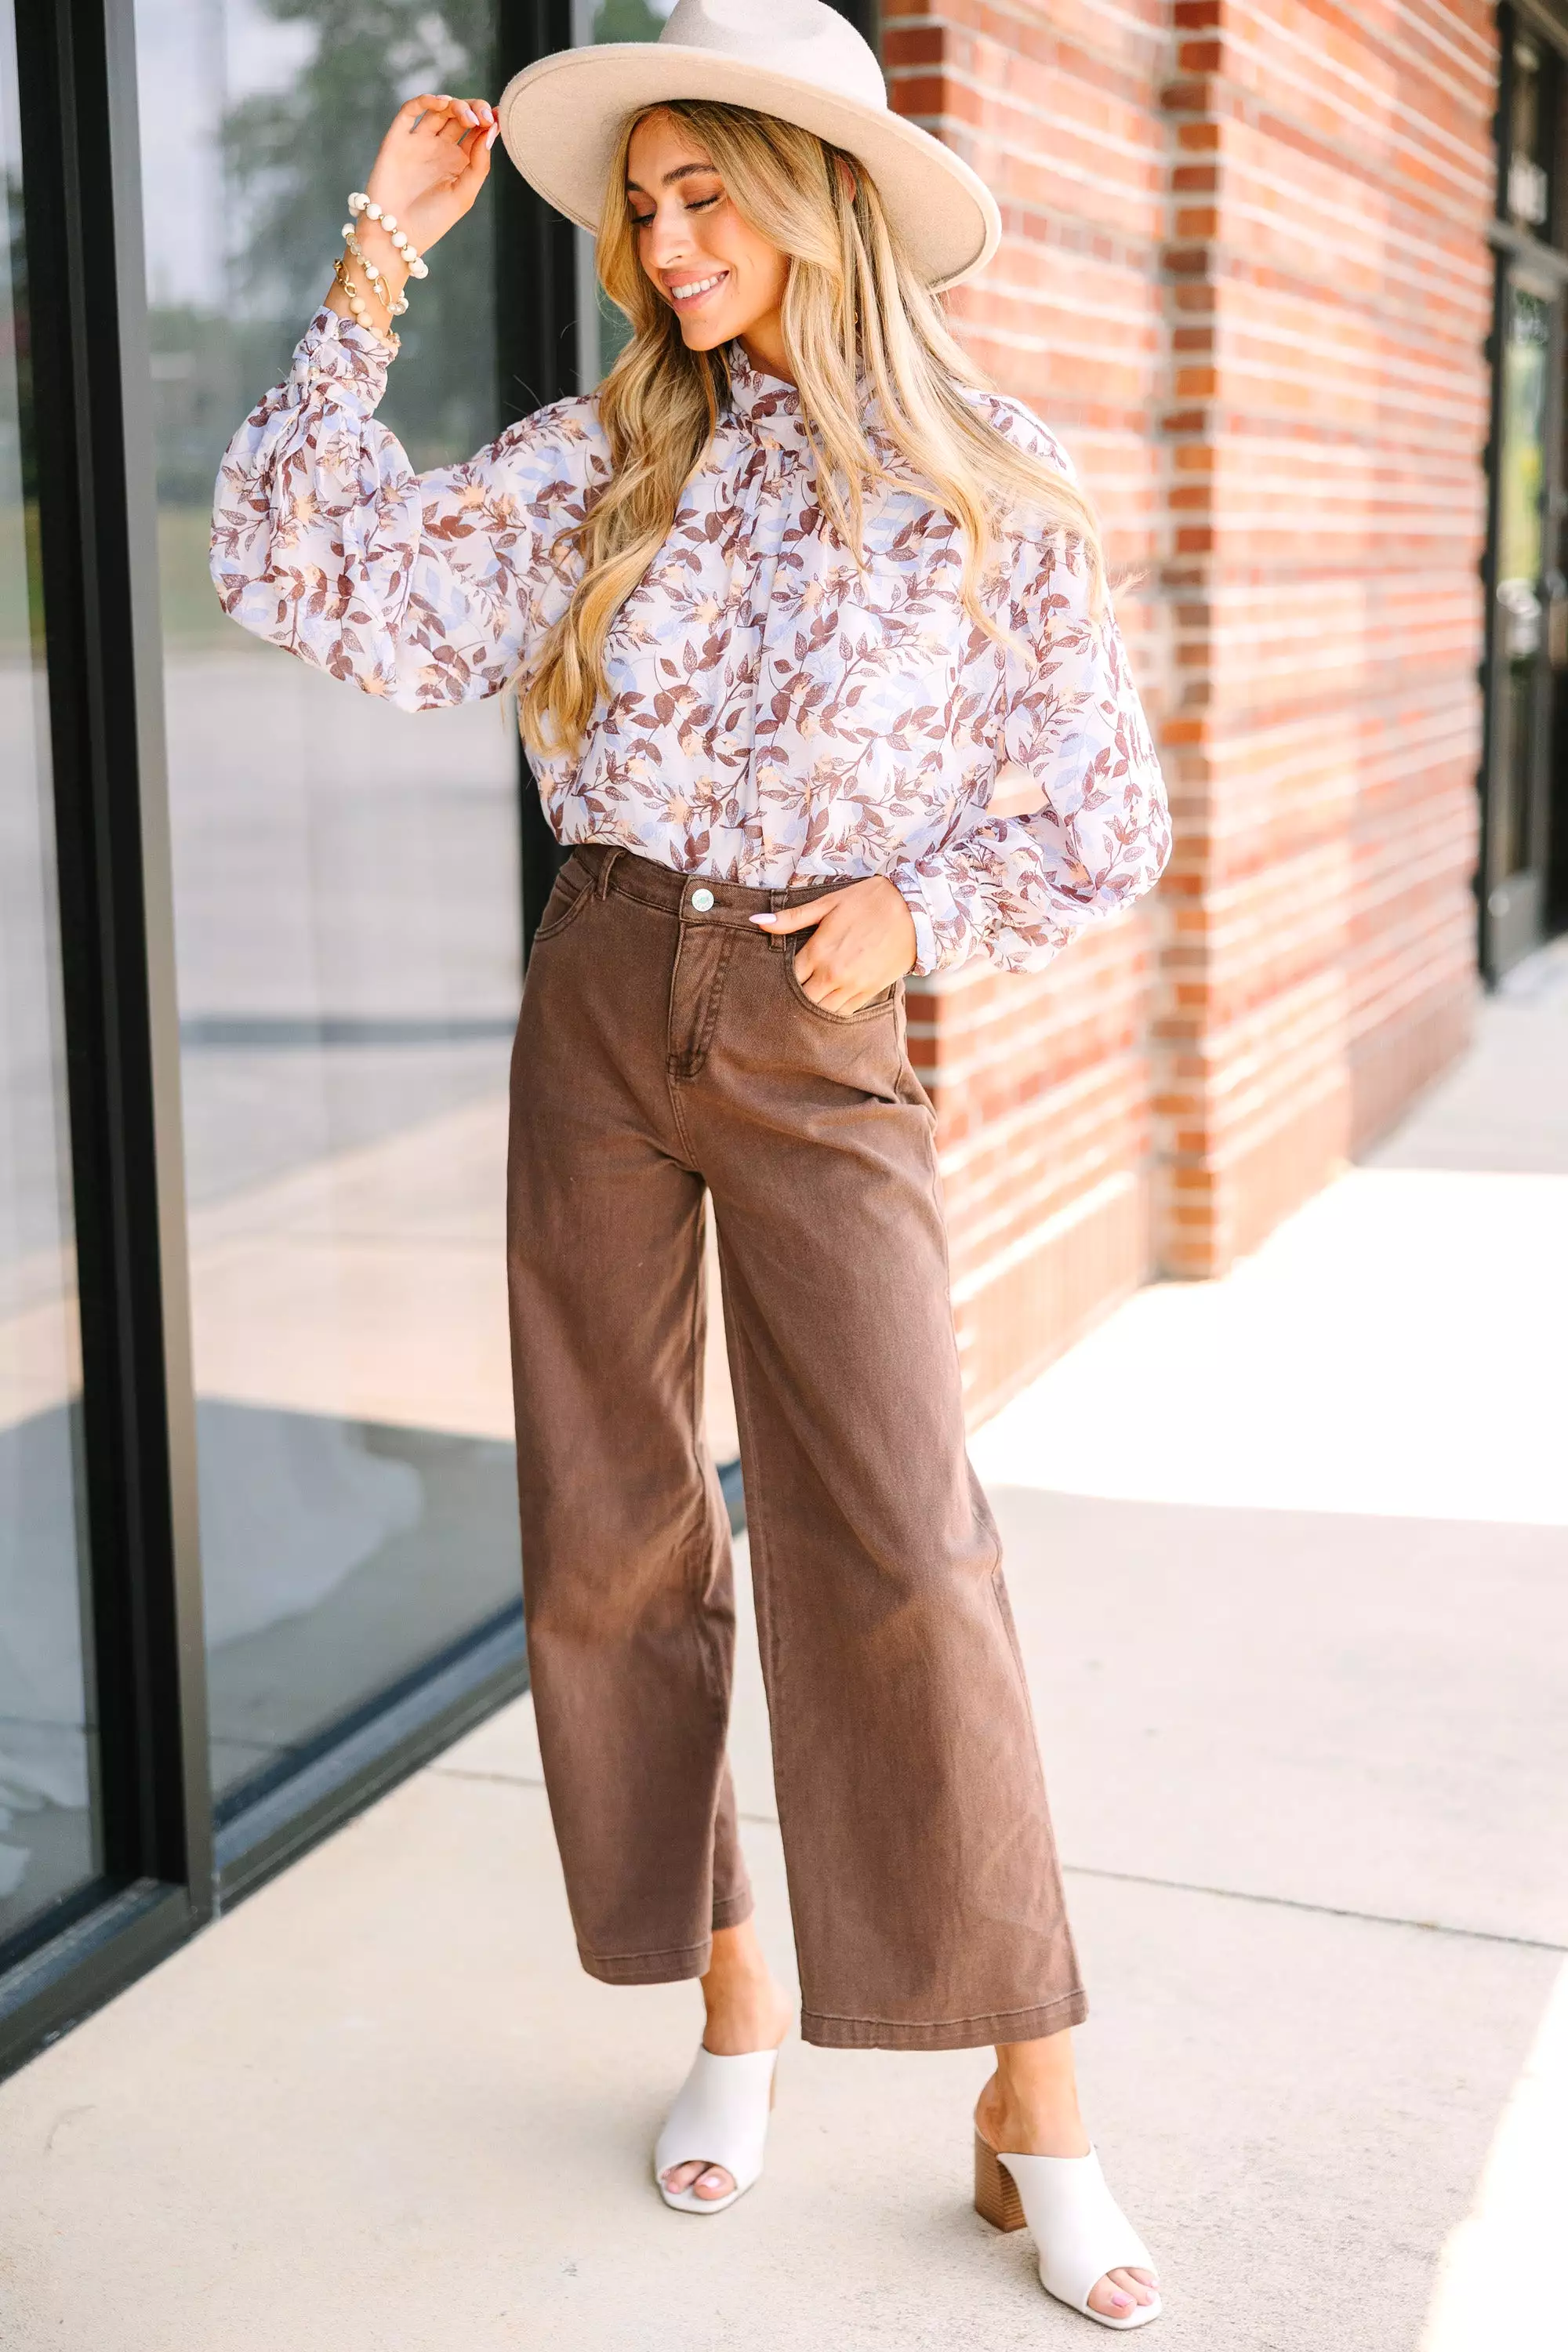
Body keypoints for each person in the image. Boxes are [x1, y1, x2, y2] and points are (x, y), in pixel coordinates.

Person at [211, 0, 1171, 2328]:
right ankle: (732, 1996)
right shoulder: (606, 458)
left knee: (903, 1546)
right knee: (618, 1528)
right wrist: (375, 268)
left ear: (816, 194)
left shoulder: (988, 486)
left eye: (701, 189)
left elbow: (1106, 813)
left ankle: (1032, 2089)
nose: (661, 238)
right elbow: (304, 586)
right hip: (599, 1000)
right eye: (643, 206)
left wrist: (918, 910)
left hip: (815, 1028)